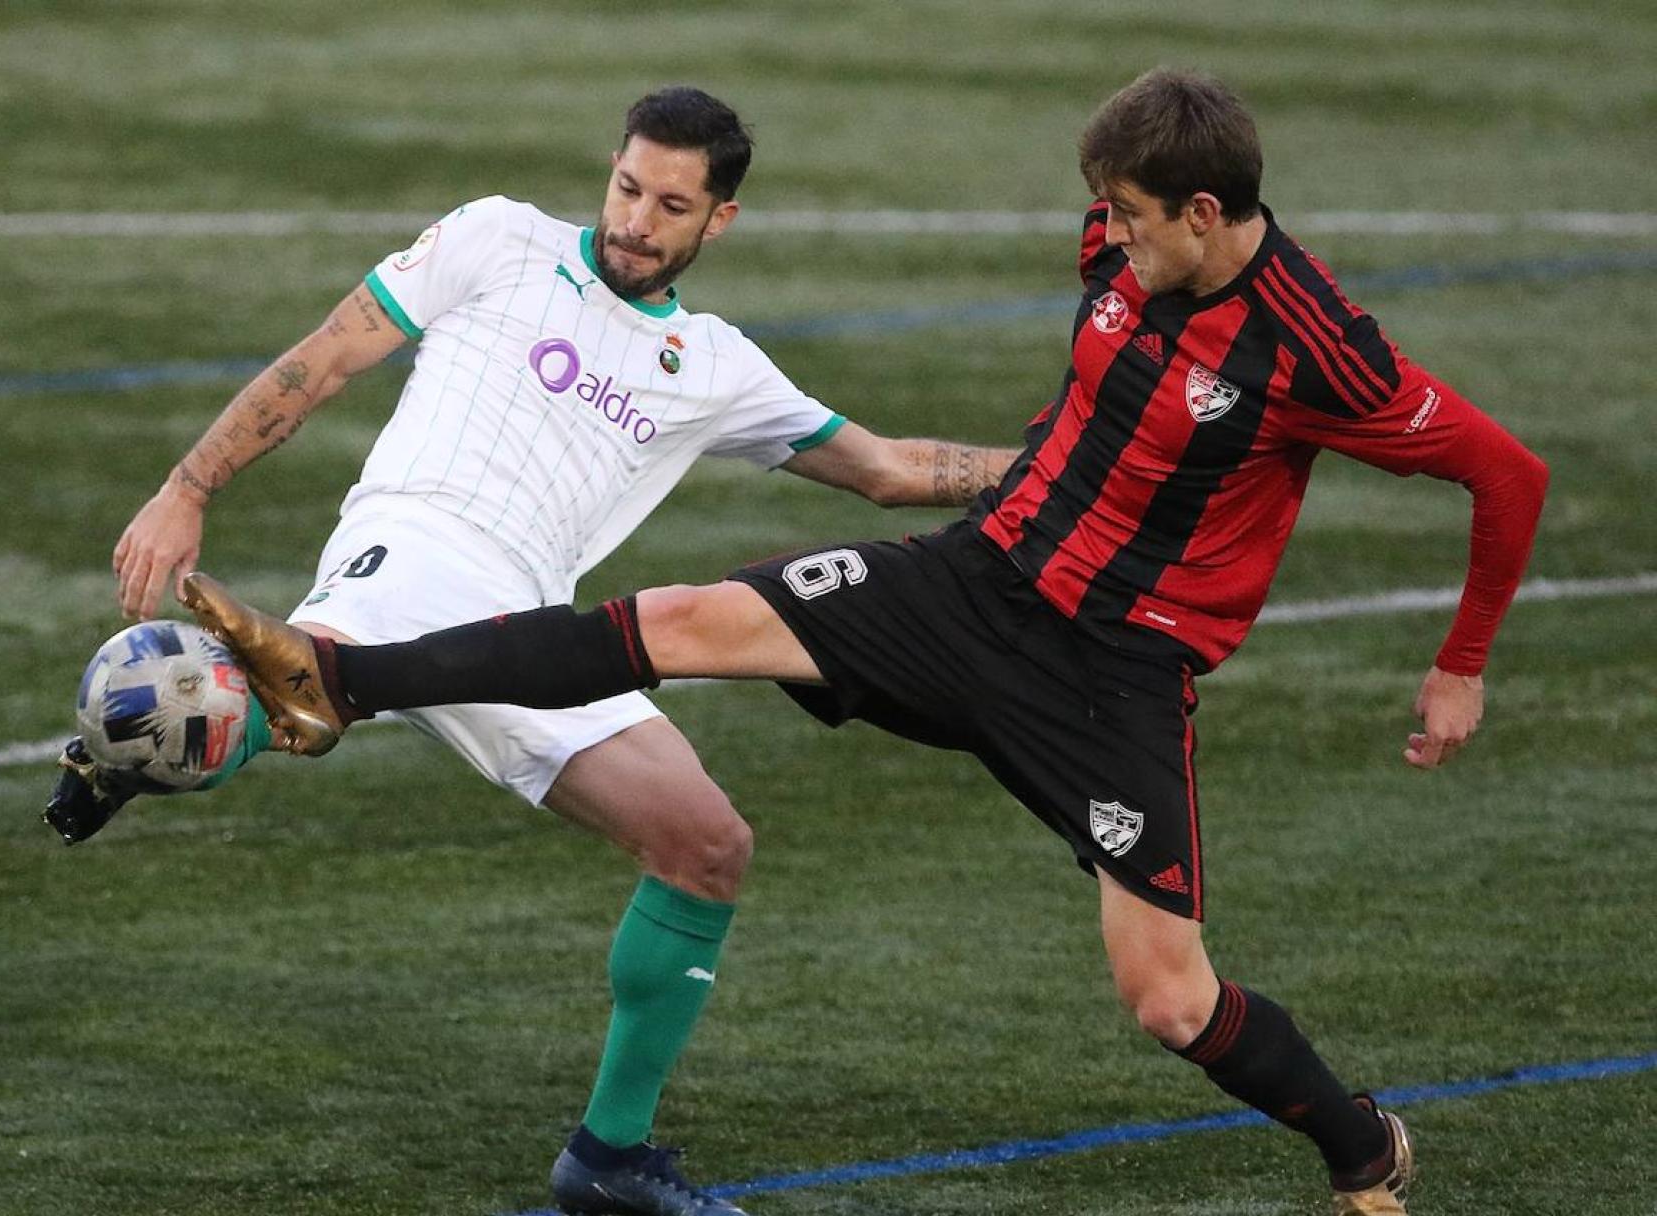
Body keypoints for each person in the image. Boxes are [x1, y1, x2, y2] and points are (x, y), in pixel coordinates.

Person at [181, 70, 1551, 1215]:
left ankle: (1363, 1149)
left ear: (1206, 212)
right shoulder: (1118, 244)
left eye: (1135, 221)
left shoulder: (1324, 352)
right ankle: (340, 676)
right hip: (972, 586)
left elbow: (1511, 477)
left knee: (1167, 998)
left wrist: (1461, 662)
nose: (1111, 240)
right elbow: (1032, 425)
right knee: (684, 621)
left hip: (1111, 673)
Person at [54, 86, 1019, 1216]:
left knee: (705, 844)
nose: (635, 221)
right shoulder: (496, 237)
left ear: (721, 222)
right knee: (331, 684)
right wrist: (187, 485)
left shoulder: (714, 365)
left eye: (670, 205)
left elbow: (889, 468)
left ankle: (164, 735)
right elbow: (325, 358)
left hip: (532, 637)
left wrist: (1064, 467)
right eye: (624, 187)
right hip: (406, 551)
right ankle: (165, 726)